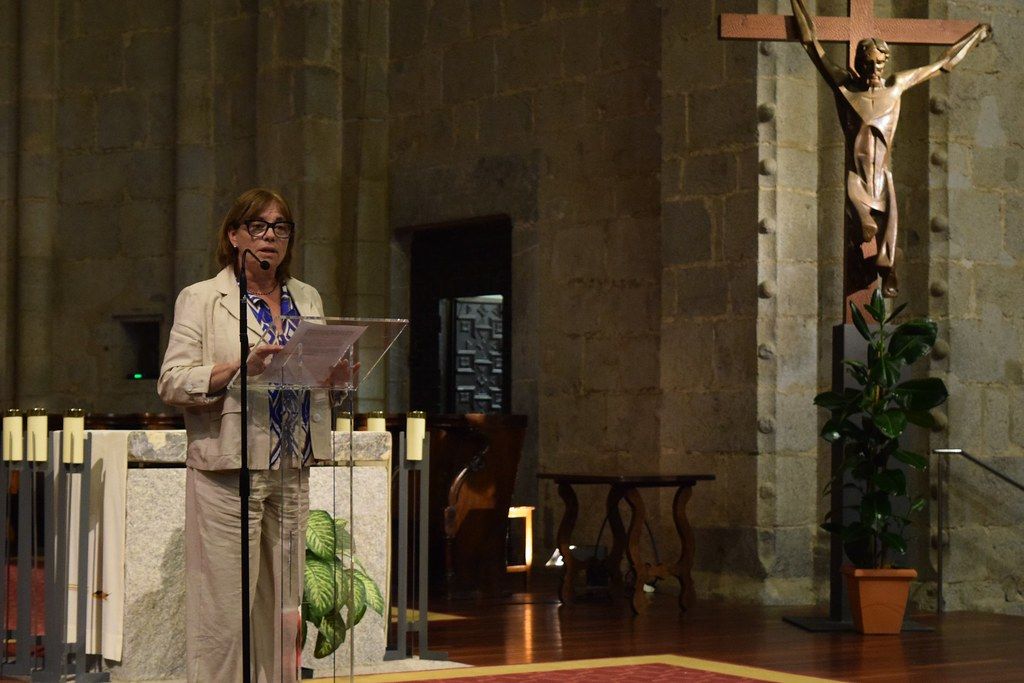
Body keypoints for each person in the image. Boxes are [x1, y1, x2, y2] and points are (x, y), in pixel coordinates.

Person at [158, 188, 331, 682]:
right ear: (234, 236)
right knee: (225, 610)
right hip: (229, 470)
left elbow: (314, 371)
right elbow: (171, 381)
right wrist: (238, 367)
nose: (270, 236)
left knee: (284, 607)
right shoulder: (202, 299)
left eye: (281, 227)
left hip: (290, 466)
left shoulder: (307, 297)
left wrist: (336, 372)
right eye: (258, 226)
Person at [789, 0, 991, 298]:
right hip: (857, 177)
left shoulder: (895, 86)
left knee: (888, 251)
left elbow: (943, 64)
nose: (874, 69)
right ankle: (864, 237)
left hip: (883, 179)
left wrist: (974, 37)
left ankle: (881, 270)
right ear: (859, 62)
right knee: (863, 224)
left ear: (886, 62)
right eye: (868, 63)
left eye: (879, 63)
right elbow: (811, 45)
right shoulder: (845, 87)